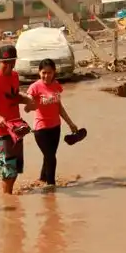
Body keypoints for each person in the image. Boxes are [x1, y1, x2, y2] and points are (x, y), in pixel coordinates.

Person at [0, 45, 37, 195]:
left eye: (12, 62)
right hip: (0, 132)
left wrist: (28, 100)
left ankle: (10, 197)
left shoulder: (15, 76)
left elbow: (15, 96)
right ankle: (7, 200)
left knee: (16, 169)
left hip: (16, 129)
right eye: (6, 62)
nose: (9, 66)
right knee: (7, 172)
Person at [25, 58, 80, 187]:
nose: (46, 75)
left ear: (54, 72)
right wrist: (29, 106)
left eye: (49, 72)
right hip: (41, 129)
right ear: (39, 73)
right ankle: (51, 186)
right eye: (43, 72)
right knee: (51, 157)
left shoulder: (56, 85)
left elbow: (59, 107)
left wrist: (70, 123)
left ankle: (42, 179)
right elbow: (28, 103)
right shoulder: (35, 87)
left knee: (49, 156)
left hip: (55, 127)